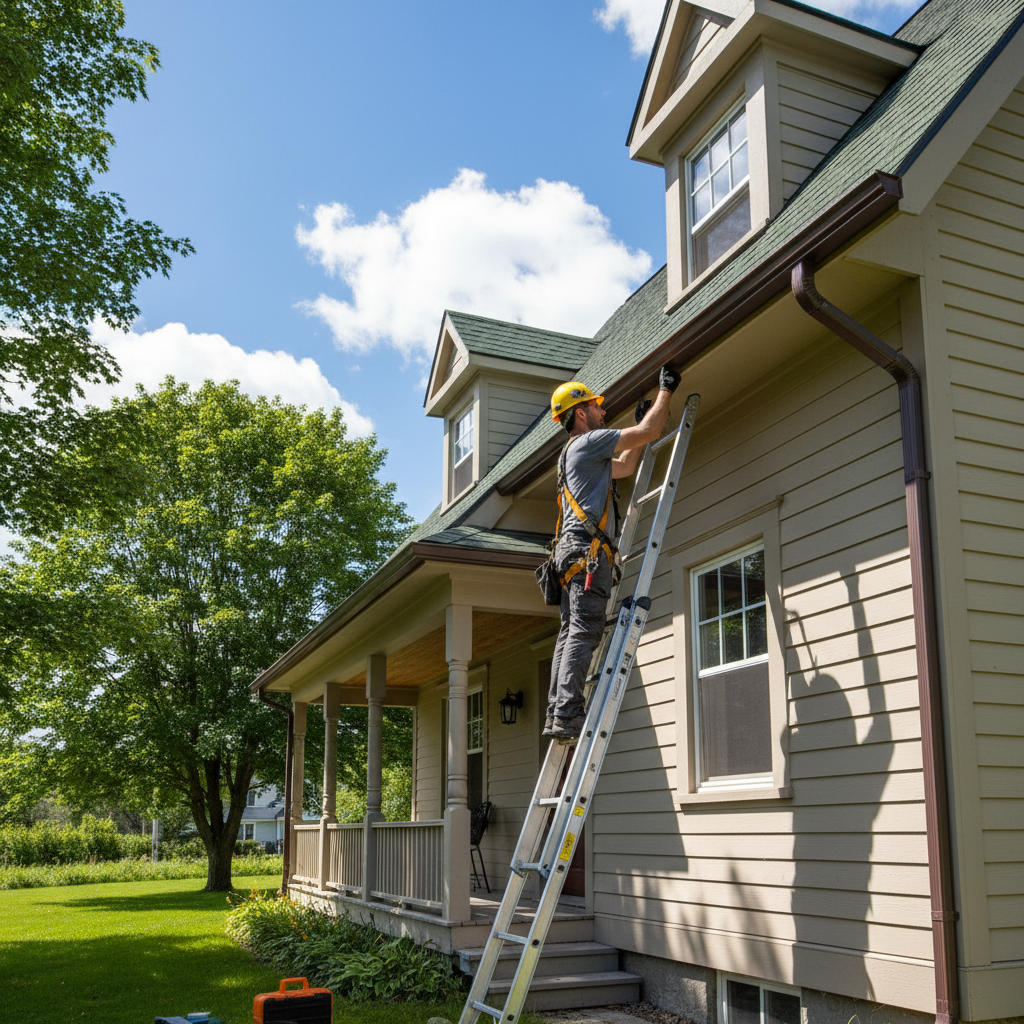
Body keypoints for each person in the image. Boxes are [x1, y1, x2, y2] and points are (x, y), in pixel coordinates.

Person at [543, 365, 682, 741]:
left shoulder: (572, 454)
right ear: (580, 413)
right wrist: (666, 391)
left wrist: (639, 427)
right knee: (584, 630)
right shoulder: (587, 443)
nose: (603, 412)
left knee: (570, 631)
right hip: (587, 554)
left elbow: (624, 466)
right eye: (596, 406)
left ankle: (558, 712)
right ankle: (569, 716)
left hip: (570, 554)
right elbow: (651, 432)